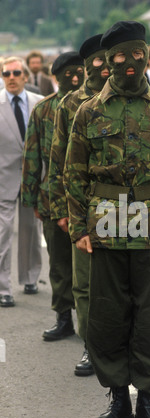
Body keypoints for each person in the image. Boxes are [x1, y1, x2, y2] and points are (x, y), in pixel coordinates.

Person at [64, 21, 150, 418]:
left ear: (144, 55)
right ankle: (118, 399)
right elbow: (74, 172)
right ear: (107, 61)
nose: (129, 64)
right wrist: (80, 228)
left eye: (136, 55)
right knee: (108, 315)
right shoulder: (89, 110)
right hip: (106, 224)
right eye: (119, 57)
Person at [49, 34, 110, 376]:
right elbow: (58, 163)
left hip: (123, 212)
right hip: (84, 208)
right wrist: (61, 210)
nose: (105, 66)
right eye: (98, 61)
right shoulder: (71, 103)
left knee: (121, 287)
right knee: (84, 285)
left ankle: (124, 347)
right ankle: (91, 346)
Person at [21, 52, 85, 349]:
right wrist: (31, 196)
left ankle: (92, 324)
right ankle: (63, 316)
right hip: (52, 197)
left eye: (79, 72)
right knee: (59, 263)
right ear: (55, 77)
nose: (75, 78)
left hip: (85, 200)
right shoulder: (44, 110)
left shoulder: (92, 105)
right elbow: (32, 156)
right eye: (68, 74)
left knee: (87, 266)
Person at [0, 56, 43, 307]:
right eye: (6, 74)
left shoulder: (39, 103)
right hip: (4, 178)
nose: (11, 78)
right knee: (3, 235)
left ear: (25, 76)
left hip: (33, 179)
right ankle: (4, 288)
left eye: (16, 73)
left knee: (30, 231)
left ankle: (30, 278)